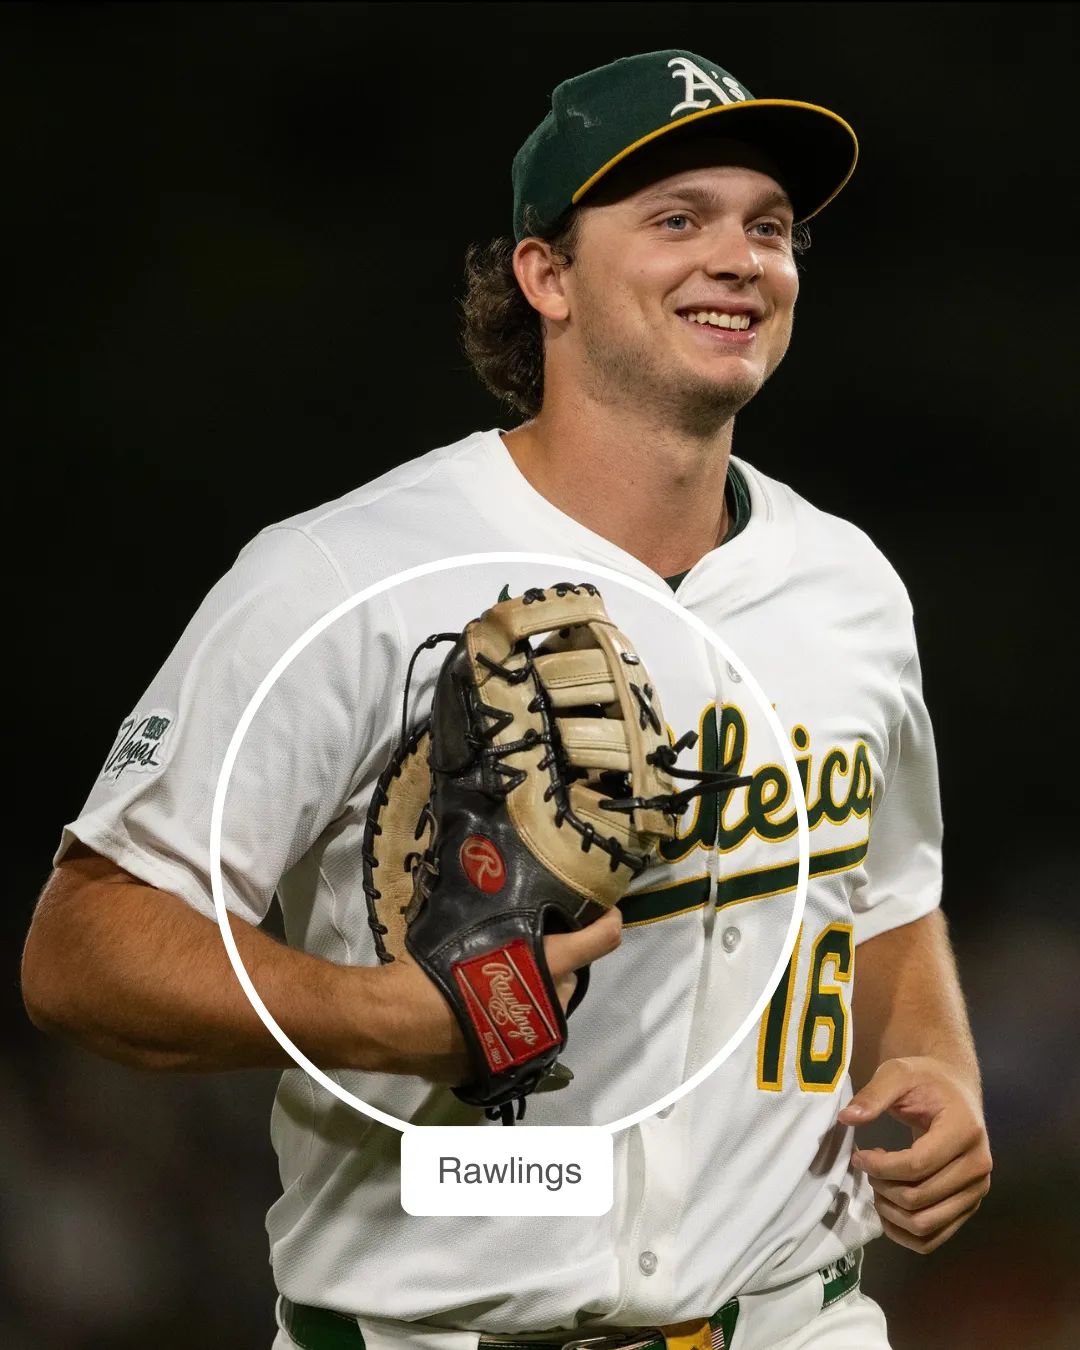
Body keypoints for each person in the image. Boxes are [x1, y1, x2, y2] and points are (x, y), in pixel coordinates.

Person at [22, 50, 991, 1350]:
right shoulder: (344, 572)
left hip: (797, 1320)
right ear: (545, 276)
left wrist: (938, 1058)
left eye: (769, 226)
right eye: (675, 218)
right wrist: (371, 1011)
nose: (738, 257)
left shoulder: (848, 587)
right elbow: (83, 945)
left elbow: (891, 896)